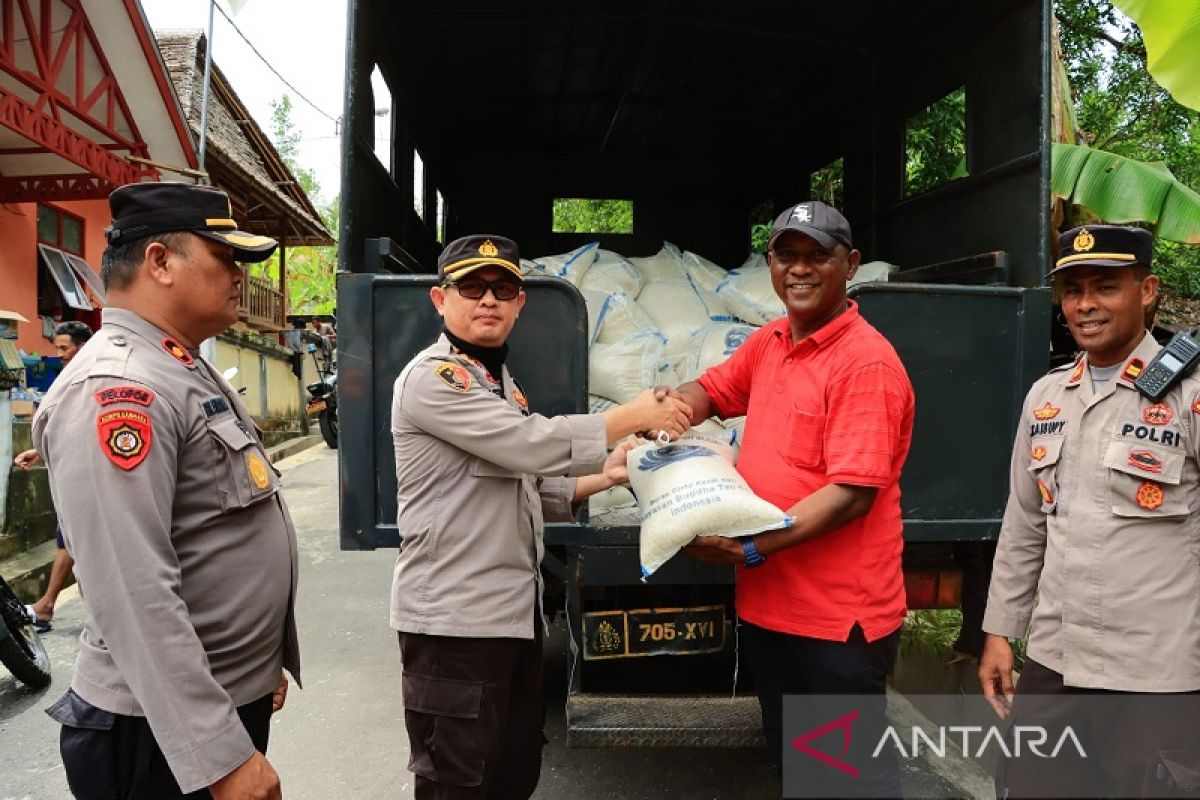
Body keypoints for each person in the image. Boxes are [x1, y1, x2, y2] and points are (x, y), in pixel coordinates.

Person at [390, 233, 692, 799]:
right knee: (459, 784)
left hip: (511, 620)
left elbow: (523, 485)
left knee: (512, 775)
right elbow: (529, 445)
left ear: (520, 302)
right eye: (472, 287)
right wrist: (632, 415)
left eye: (503, 288)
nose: (488, 300)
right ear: (440, 299)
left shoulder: (497, 382)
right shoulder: (435, 380)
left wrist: (606, 474)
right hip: (454, 628)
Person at [32, 182, 300, 800]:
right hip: (157, 734)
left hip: (208, 703)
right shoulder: (120, 387)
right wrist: (220, 756)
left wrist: (258, 667)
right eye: (225, 256)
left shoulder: (178, 365)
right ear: (159, 261)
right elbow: (133, 591)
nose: (238, 275)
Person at [674, 201, 916, 796]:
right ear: (771, 264)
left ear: (851, 264)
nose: (800, 270)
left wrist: (747, 547)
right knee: (800, 768)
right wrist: (668, 413)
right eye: (787, 255)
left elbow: (851, 496)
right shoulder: (771, 341)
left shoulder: (866, 363)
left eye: (818, 256)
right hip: (772, 610)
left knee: (846, 779)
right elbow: (712, 389)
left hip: (836, 624)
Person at [979, 224, 1200, 797]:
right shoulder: (1047, 397)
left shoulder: (1189, 391)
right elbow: (1025, 524)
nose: (1085, 305)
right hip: (1055, 664)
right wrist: (1002, 633)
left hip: (1160, 674)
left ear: (1147, 290)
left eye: (1105, 287)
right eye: (1073, 290)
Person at [14, 320, 92, 631]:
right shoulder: (71, 375)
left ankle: (47, 606)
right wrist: (40, 451)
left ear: (81, 346)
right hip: (72, 470)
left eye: (64, 347)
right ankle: (48, 605)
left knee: (72, 540)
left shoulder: (91, 376)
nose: (58, 353)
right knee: (69, 540)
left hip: (89, 472)